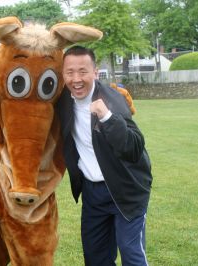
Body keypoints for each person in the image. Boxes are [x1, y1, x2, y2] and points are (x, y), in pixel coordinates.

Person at [56, 45, 153, 266]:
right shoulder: (63, 101)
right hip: (93, 192)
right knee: (95, 257)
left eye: (83, 71)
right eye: (70, 72)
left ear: (95, 72)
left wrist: (108, 117)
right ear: (63, 74)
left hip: (126, 188)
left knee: (131, 253)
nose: (76, 79)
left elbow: (134, 147)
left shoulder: (112, 100)